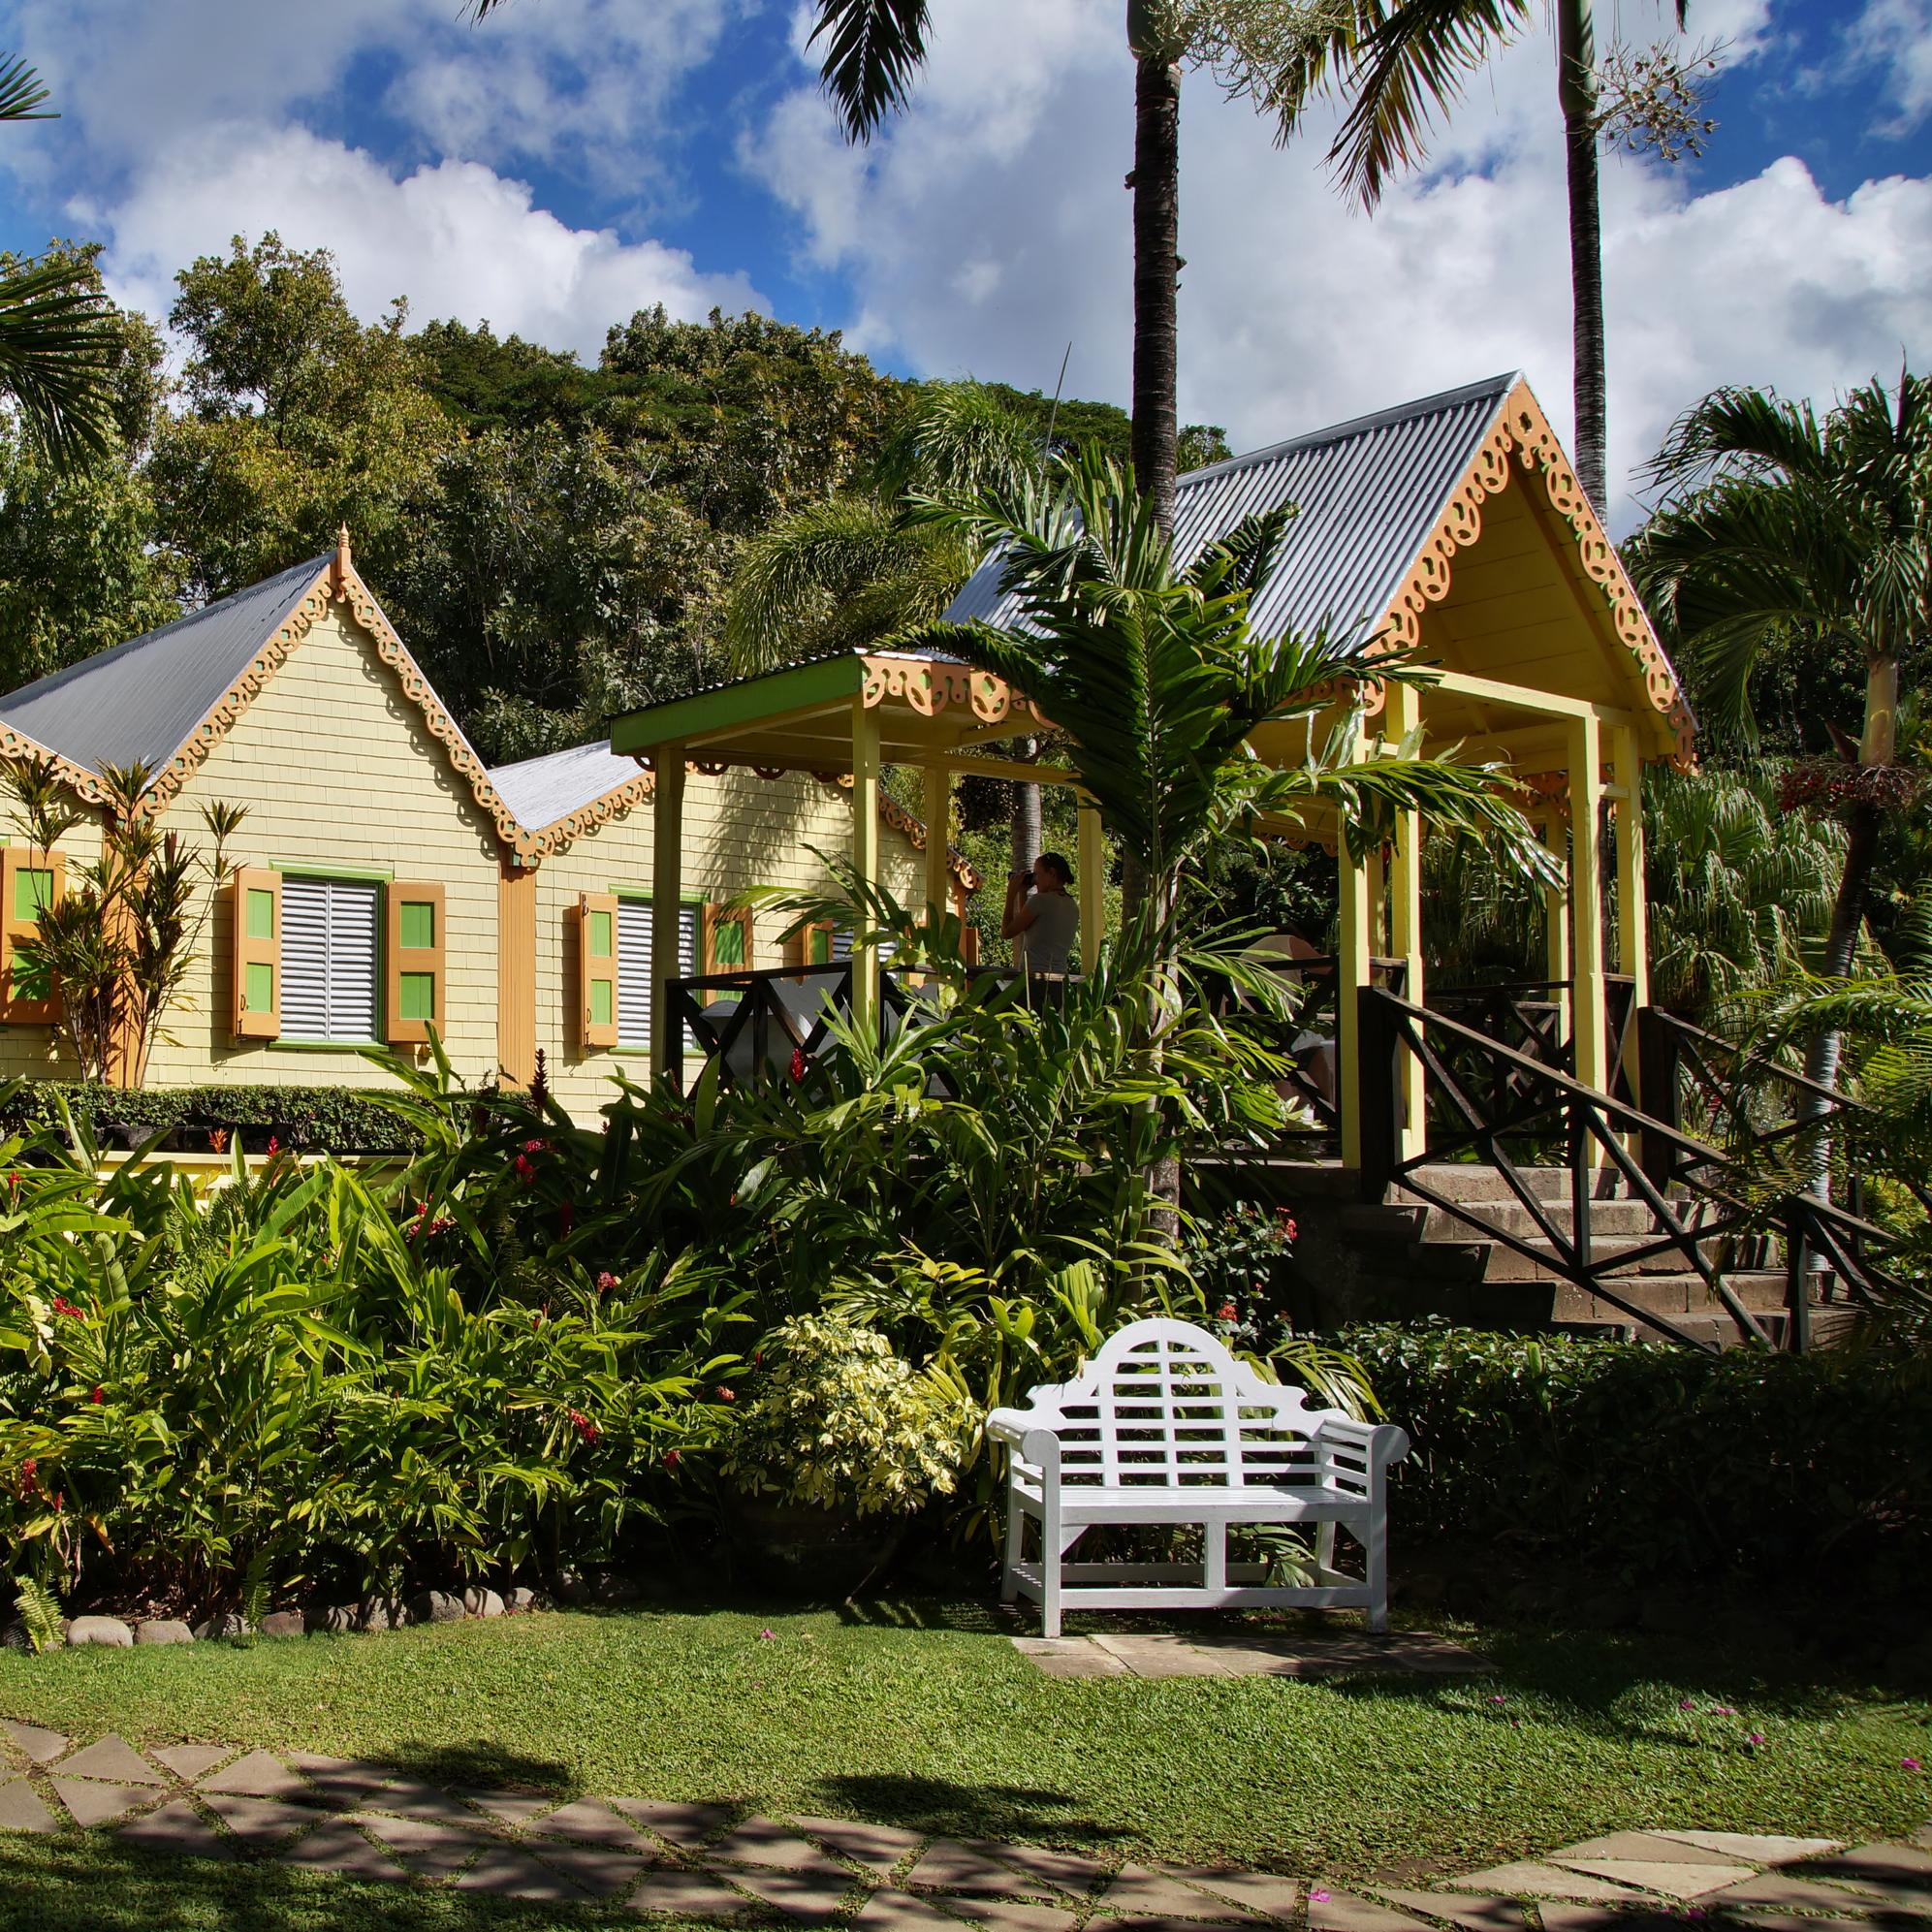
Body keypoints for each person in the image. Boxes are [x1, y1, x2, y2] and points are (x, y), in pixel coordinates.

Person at [1002, 852, 1079, 978]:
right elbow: (1028, 926)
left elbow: (1006, 932)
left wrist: (1011, 894)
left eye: (1037, 874)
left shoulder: (1040, 901)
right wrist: (1023, 892)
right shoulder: (1072, 905)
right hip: (1060, 978)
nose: (1035, 880)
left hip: (1036, 978)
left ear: (1052, 873)